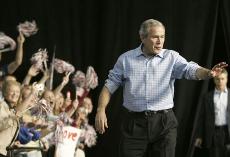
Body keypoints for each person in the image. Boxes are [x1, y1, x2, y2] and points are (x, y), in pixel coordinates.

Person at [94, 18, 228, 157]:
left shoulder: (171, 57)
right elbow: (109, 86)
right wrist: (101, 109)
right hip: (134, 124)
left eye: (162, 37)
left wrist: (208, 72)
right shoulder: (126, 60)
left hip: (164, 123)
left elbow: (190, 69)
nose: (160, 41)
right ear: (142, 37)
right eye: (155, 37)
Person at [195, 69, 230, 157]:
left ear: (227, 79)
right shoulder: (207, 97)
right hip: (213, 132)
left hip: (228, 131)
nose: (220, 81)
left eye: (223, 79)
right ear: (214, 80)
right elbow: (202, 117)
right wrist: (199, 136)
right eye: (218, 79)